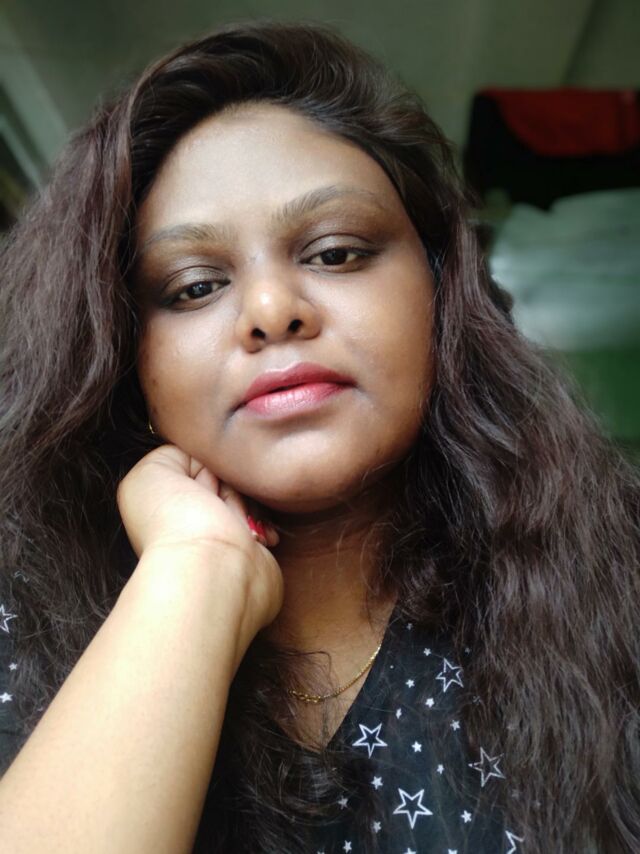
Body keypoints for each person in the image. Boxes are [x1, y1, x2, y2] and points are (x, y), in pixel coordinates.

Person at [0, 19, 638, 854]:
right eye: (193, 287)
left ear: (442, 295)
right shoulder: (20, 624)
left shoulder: (622, 570)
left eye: (336, 253)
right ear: (126, 360)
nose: (271, 312)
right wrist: (195, 569)